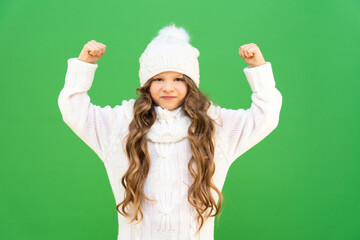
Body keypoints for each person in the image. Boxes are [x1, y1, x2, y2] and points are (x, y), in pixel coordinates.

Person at [58, 23, 283, 240]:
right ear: (146, 84)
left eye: (178, 79)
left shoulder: (214, 126)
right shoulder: (121, 125)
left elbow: (265, 117)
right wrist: (84, 64)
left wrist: (258, 69)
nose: (168, 87)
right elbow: (75, 111)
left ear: (191, 84)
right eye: (158, 79)